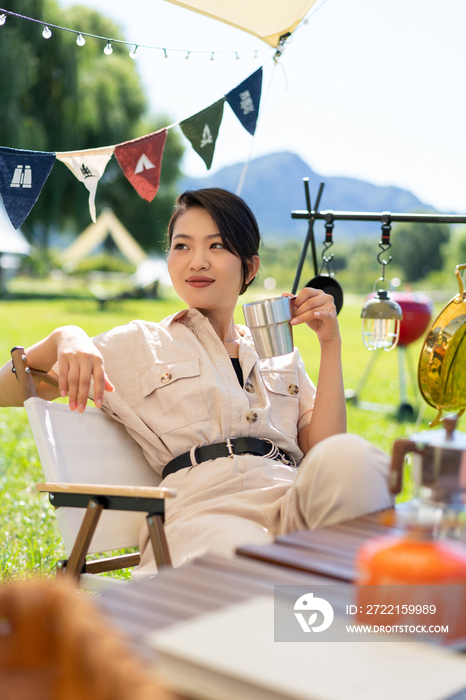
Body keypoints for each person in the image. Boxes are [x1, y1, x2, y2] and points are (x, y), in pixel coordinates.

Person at [0, 188, 392, 577]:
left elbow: (325, 451)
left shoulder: (279, 352)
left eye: (217, 246)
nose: (197, 261)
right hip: (205, 511)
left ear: (250, 268)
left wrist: (330, 343)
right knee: (248, 554)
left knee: (356, 457)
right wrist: (63, 337)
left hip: (292, 502)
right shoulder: (139, 343)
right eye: (182, 246)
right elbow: (11, 388)